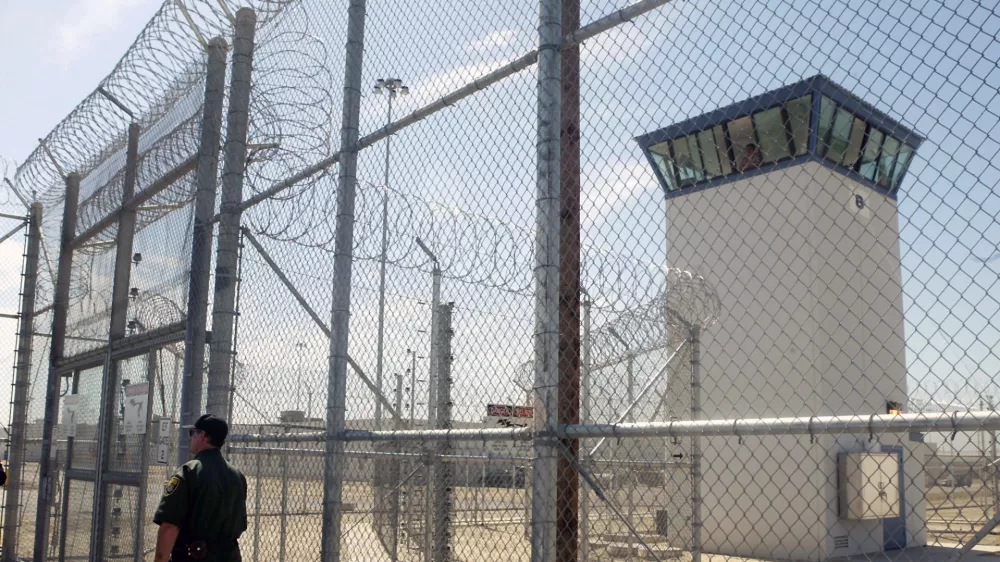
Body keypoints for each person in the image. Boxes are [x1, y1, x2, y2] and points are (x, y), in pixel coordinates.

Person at [154, 414, 247, 562]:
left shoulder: (188, 472)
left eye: (192, 433)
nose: (190, 438)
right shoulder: (238, 476)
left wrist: (160, 559)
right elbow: (238, 526)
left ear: (203, 435)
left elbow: (169, 527)